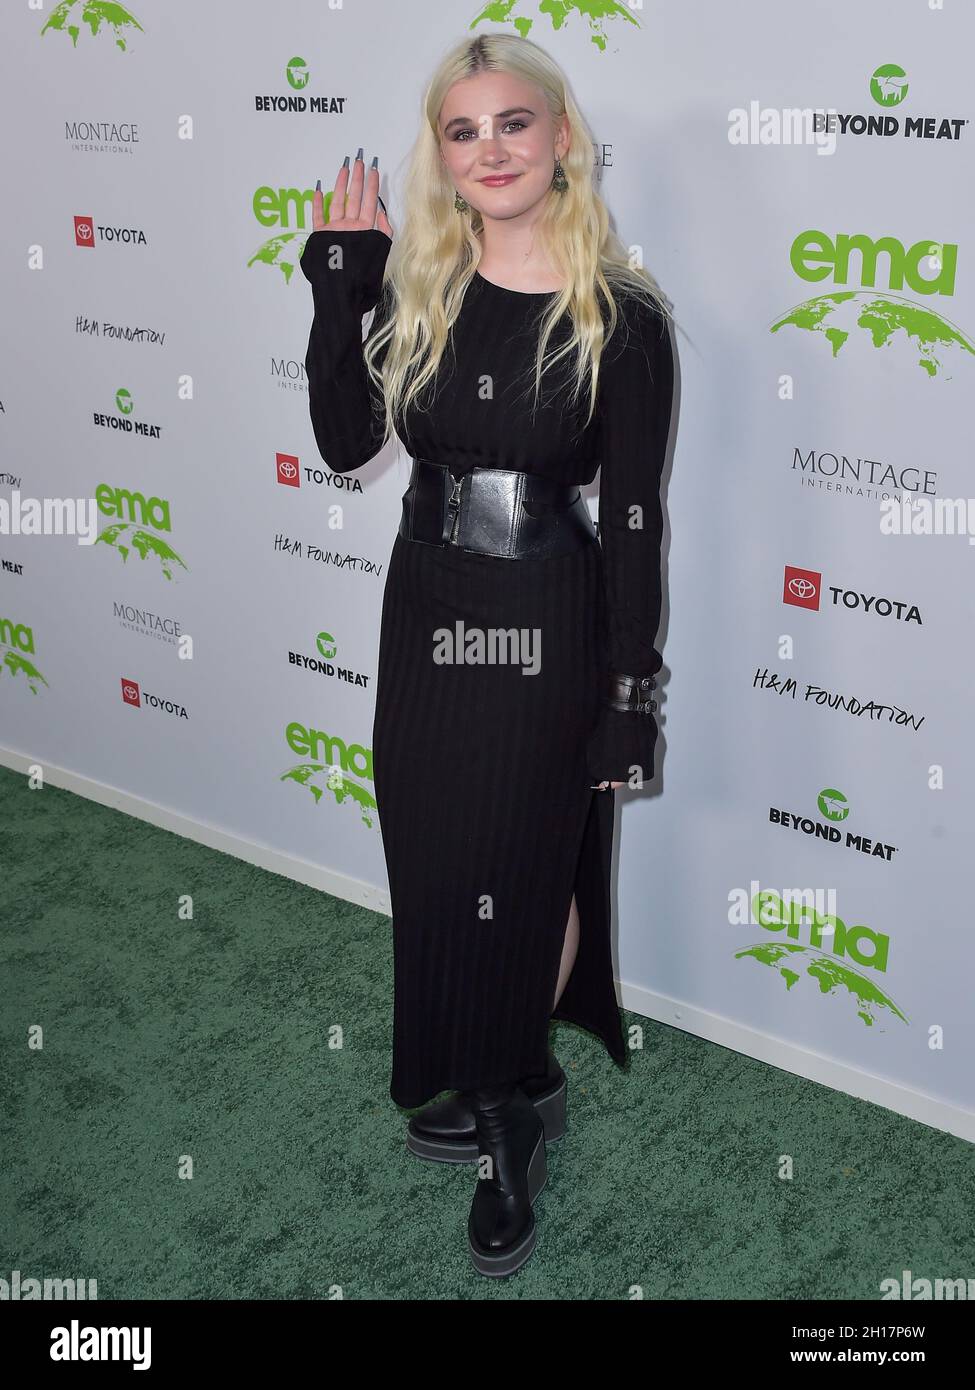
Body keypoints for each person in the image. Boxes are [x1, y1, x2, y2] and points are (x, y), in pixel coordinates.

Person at [301, 32, 678, 1278]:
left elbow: (632, 517)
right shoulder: (421, 284)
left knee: (522, 870)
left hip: (546, 622)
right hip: (426, 608)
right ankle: (489, 1070)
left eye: (513, 123)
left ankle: (512, 1108)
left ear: (560, 136)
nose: (491, 150)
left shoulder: (622, 317)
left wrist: (631, 690)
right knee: (435, 851)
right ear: (443, 156)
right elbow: (348, 442)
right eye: (463, 132)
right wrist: (341, 281)